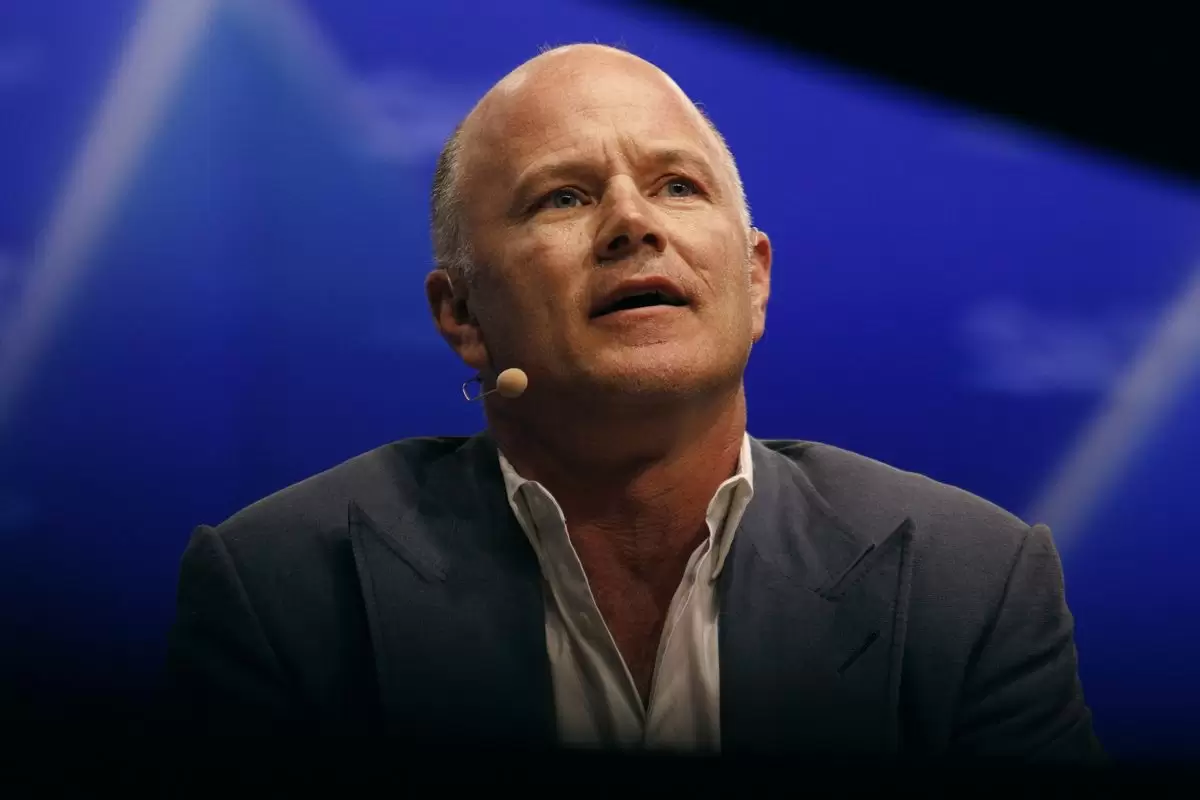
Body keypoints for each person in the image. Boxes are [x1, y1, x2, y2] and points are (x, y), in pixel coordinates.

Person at [167, 43, 1102, 761]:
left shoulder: (970, 585)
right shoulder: (281, 591)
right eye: (563, 198)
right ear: (462, 314)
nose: (632, 222)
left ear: (755, 277)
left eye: (677, 186)